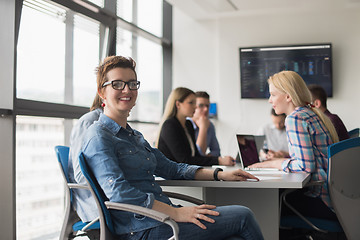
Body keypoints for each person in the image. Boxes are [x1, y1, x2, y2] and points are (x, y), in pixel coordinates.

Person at [80, 55, 264, 239]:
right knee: (243, 216)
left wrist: (220, 174)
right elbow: (120, 194)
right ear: (101, 92)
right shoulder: (98, 136)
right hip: (141, 229)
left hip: (161, 219)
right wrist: (176, 213)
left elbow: (173, 168)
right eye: (117, 84)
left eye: (132, 83)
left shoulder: (133, 136)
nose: (127, 89)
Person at [249, 70, 341, 223]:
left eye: (272, 94)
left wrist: (273, 164)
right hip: (337, 199)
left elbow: (306, 166)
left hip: (322, 200)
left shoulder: (295, 119)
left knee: (264, 205)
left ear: (288, 96)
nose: (269, 100)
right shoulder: (311, 112)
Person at [157, 87, 235, 166]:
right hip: (171, 176)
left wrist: (219, 160)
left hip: (185, 173)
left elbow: (196, 156)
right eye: (191, 103)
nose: (195, 106)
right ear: (178, 104)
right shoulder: (169, 126)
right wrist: (218, 161)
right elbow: (185, 160)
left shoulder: (188, 125)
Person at [68, 94, 103, 221]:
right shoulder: (89, 122)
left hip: (116, 200)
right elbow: (81, 176)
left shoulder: (119, 125)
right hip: (96, 204)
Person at [188, 91, 221, 156]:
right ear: (194, 107)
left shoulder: (210, 125)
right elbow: (197, 154)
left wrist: (206, 157)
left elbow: (216, 151)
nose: (206, 109)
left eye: (207, 106)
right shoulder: (186, 124)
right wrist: (203, 128)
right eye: (201, 105)